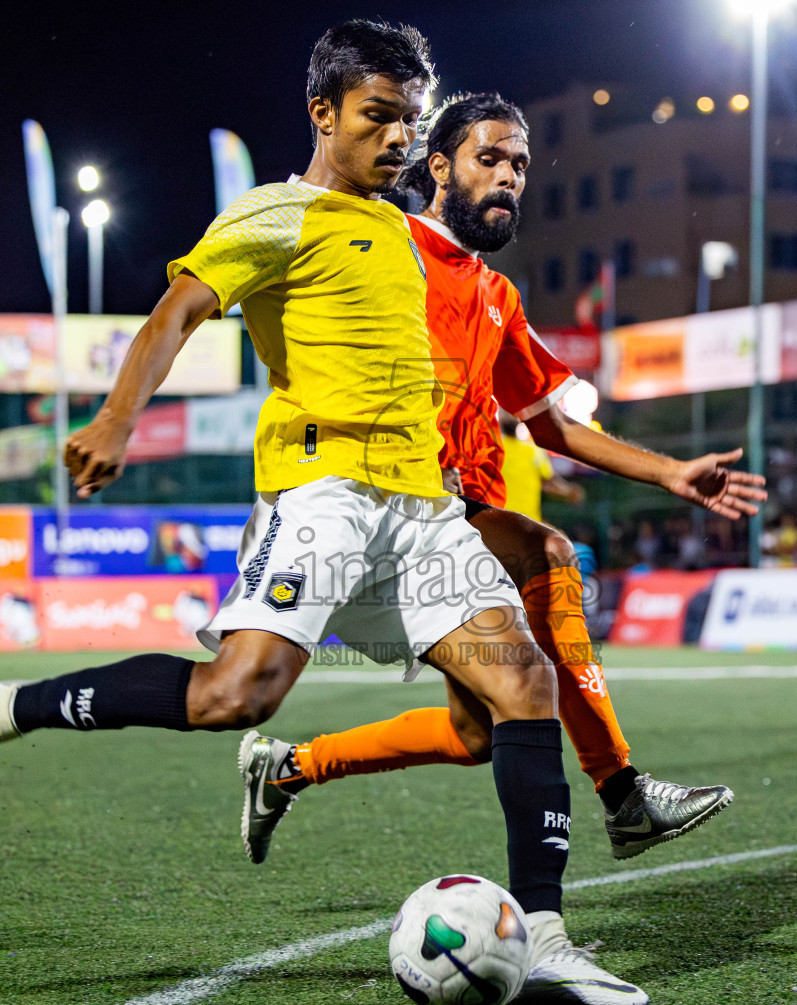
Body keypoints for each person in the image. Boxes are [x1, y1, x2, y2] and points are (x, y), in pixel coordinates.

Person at [0, 24, 646, 1005]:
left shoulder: (408, 232)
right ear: (323, 113)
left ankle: (541, 935)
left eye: (412, 123)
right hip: (320, 492)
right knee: (234, 697)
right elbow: (180, 312)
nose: (400, 141)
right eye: (379, 119)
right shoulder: (278, 214)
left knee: (521, 681)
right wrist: (116, 418)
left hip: (420, 508)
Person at [236, 93, 764, 874]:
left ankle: (287, 767)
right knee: (550, 553)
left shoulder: (495, 294)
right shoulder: (390, 252)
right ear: (439, 167)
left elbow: (549, 423)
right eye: (491, 158)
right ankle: (623, 796)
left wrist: (671, 473)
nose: (510, 175)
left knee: (477, 733)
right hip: (399, 501)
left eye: (519, 163)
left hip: (461, 512)